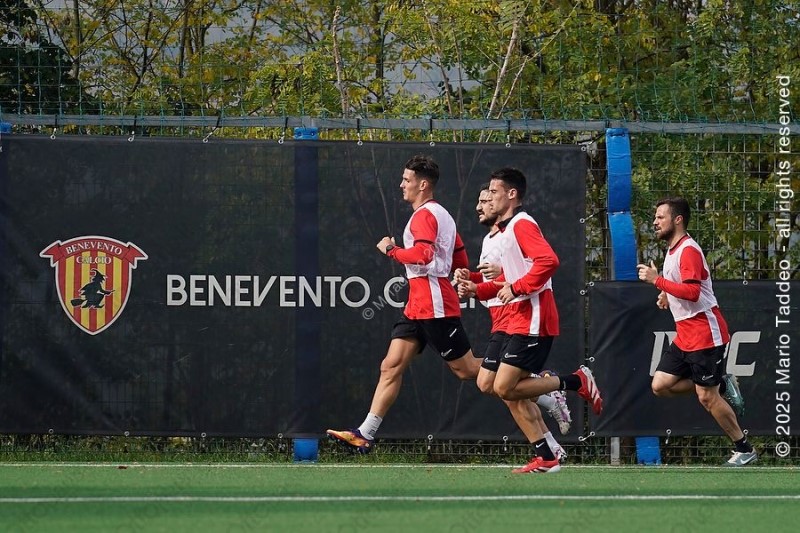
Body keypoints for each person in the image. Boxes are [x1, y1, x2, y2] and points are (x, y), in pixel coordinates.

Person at [327, 155, 482, 453]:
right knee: (390, 366)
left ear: (423, 185)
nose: (401, 185)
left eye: (406, 180)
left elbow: (423, 255)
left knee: (467, 370)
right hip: (417, 304)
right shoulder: (442, 214)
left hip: (433, 304)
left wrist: (391, 249)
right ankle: (365, 433)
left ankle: (537, 384)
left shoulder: (425, 215)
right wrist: (462, 274)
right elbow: (460, 258)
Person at [458, 167, 603, 474]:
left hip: (532, 317)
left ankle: (573, 382)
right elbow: (505, 281)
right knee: (489, 384)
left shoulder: (522, 223)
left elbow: (548, 261)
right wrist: (476, 286)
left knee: (506, 387)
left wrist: (515, 287)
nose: (487, 199)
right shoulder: (504, 231)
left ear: (511, 195)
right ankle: (548, 451)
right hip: (511, 318)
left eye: (493, 193)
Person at [636, 197, 756, 467]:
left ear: (677, 220)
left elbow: (692, 292)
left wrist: (657, 281)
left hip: (705, 334)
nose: (655, 222)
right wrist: (665, 293)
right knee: (660, 385)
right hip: (685, 336)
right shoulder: (672, 250)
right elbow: (683, 288)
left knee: (706, 397)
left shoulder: (688, 250)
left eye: (660, 217)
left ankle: (744, 449)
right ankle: (720, 382)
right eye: (655, 217)